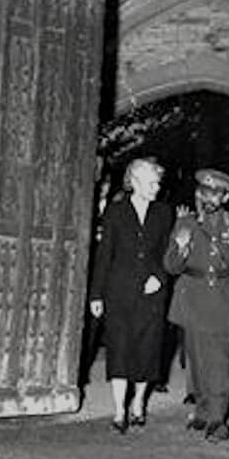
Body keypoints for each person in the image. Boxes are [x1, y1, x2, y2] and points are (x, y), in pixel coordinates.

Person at [164, 168, 229, 443]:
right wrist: (180, 248)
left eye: (215, 194)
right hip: (192, 301)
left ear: (225, 197)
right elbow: (170, 266)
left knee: (219, 362)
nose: (209, 198)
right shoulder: (185, 224)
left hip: (223, 303)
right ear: (198, 193)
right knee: (198, 361)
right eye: (205, 192)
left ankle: (218, 420)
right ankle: (203, 411)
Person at [89, 157, 174, 434]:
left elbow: (167, 255)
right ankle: (118, 410)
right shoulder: (115, 211)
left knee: (146, 351)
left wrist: (159, 279)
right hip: (119, 292)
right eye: (151, 183)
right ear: (134, 182)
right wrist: (96, 295)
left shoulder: (164, 213)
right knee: (120, 349)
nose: (156, 188)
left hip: (152, 294)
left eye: (158, 183)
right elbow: (104, 256)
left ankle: (138, 403)